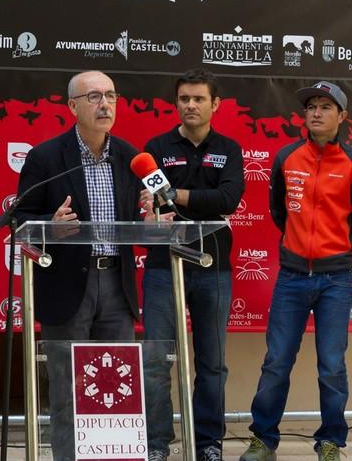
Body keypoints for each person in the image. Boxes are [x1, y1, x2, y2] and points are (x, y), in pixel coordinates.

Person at [240, 81, 352, 461]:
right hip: (292, 276)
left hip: (336, 280)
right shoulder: (286, 157)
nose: (316, 113)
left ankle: (330, 442)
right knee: (276, 362)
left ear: (342, 116)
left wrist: (338, 249)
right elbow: (278, 212)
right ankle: (263, 439)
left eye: (325, 107)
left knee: (332, 366)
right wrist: (299, 246)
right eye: (311, 106)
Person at [13, 70, 145, 461]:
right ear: (72, 106)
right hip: (68, 286)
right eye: (94, 97)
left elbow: (135, 221)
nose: (105, 104)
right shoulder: (47, 158)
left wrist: (154, 221)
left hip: (117, 284)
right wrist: (49, 227)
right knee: (68, 388)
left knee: (116, 383)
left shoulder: (130, 157)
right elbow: (20, 220)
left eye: (111, 96)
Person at [140, 68, 244, 461]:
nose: (191, 105)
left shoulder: (229, 149)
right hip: (163, 267)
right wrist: (184, 199)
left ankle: (208, 443)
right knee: (156, 360)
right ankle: (157, 444)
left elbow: (228, 200)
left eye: (199, 99)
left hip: (212, 266)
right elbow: (153, 201)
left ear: (215, 104)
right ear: (176, 103)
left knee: (212, 363)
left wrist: (176, 194)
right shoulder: (155, 147)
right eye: (184, 98)